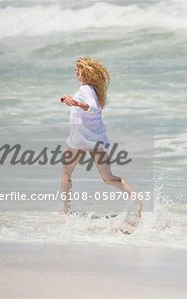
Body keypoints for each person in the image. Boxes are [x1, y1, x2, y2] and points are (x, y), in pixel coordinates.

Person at [59, 56, 141, 227]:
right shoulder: (93, 91)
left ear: (86, 72)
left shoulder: (85, 89)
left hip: (80, 140)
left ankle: (66, 213)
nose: (76, 72)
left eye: (79, 69)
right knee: (108, 178)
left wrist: (75, 102)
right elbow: (94, 110)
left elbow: (92, 108)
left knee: (66, 173)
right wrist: (76, 103)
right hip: (95, 139)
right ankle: (137, 199)